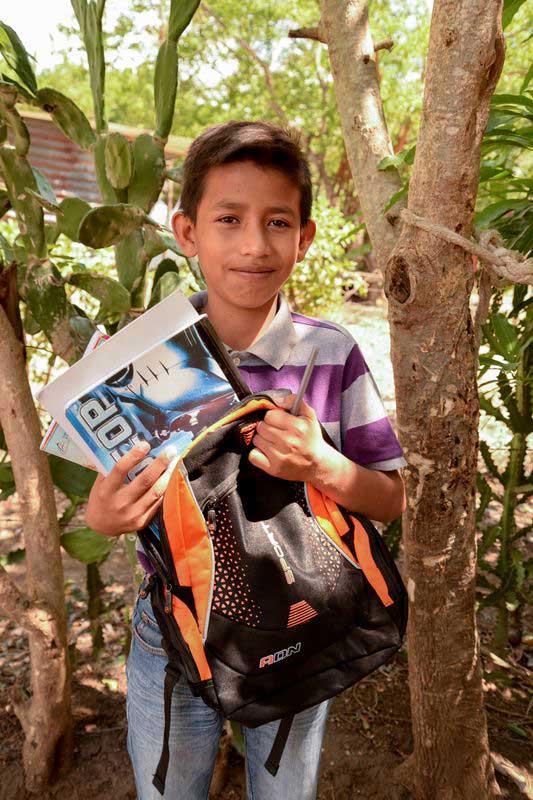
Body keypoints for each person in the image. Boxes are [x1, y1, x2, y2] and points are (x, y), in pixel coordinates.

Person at [85, 120, 408, 800]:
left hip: (303, 620)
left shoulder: (331, 353)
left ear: (305, 238)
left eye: (277, 222)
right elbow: (111, 504)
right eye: (228, 219)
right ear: (187, 233)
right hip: (172, 631)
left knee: (285, 790)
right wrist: (103, 514)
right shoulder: (137, 360)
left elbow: (389, 497)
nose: (254, 245)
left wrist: (321, 464)